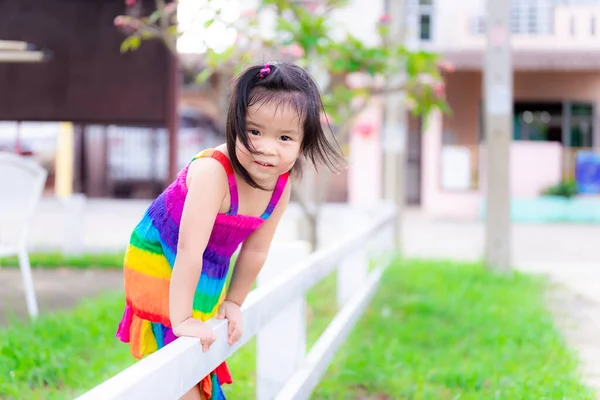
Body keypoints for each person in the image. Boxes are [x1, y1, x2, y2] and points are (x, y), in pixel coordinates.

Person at [115, 61, 344, 400]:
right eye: (254, 131)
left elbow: (255, 251)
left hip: (207, 266)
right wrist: (182, 319)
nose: (266, 147)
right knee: (183, 362)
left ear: (302, 142)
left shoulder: (280, 187)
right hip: (163, 256)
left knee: (202, 352)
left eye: (284, 138)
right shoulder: (213, 173)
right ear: (233, 126)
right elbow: (188, 251)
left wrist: (234, 301)